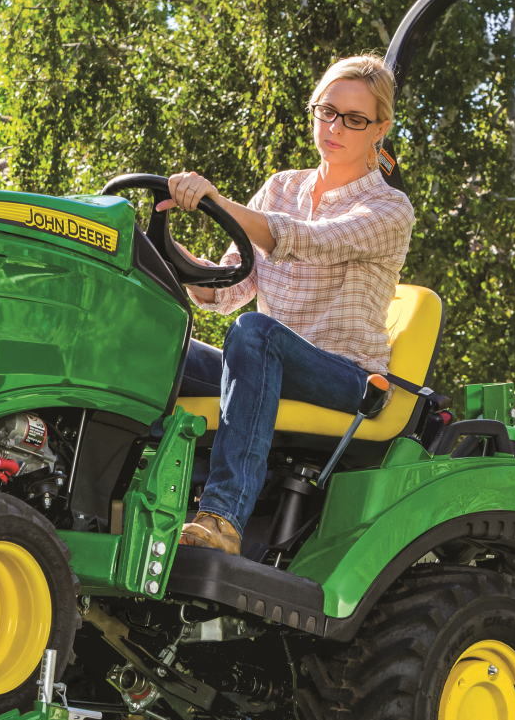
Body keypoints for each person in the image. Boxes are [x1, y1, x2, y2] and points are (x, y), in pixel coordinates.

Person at [162, 55, 414, 556]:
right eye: (327, 111)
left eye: (354, 119)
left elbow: (307, 241)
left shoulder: (389, 209)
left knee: (254, 332)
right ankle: (111, 497)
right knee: (162, 344)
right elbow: (227, 288)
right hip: (266, 364)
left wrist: (217, 202)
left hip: (348, 378)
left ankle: (223, 518)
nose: (335, 127)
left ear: (380, 129)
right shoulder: (281, 188)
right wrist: (168, 253)